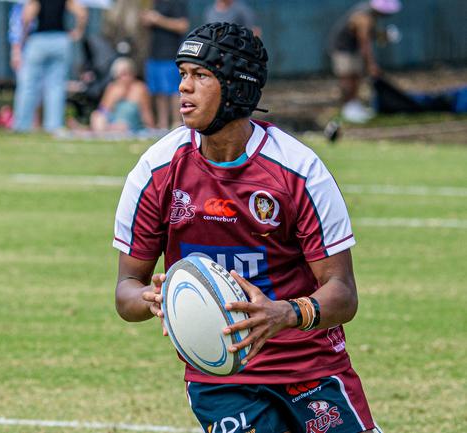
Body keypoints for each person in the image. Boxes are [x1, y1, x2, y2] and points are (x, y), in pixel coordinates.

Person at [113, 22, 382, 433]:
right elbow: (125, 291)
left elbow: (342, 294)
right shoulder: (156, 170)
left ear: (238, 86)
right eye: (183, 74)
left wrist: (285, 313)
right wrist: (152, 297)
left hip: (310, 369)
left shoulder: (299, 172)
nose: (184, 87)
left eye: (200, 75)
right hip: (220, 377)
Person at [12, 0, 87, 133]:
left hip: (38, 40)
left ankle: (22, 125)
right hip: (60, 39)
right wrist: (78, 31)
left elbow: (27, 16)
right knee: (56, 86)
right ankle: (53, 126)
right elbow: (82, 13)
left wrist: (24, 37)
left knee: (28, 85)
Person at [328, 0, 402, 123]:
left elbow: (370, 35)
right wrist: (371, 64)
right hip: (343, 49)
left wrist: (383, 36)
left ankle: (354, 105)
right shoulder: (364, 16)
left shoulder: (370, 15)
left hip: (353, 49)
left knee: (356, 77)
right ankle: (348, 108)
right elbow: (364, 43)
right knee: (348, 78)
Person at [140, 0, 189, 130]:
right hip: (154, 53)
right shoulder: (154, 3)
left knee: (174, 91)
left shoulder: (176, 3)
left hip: (170, 54)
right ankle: (162, 124)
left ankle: (176, 123)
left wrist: (158, 20)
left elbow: (182, 25)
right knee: (159, 92)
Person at [89, 57, 154, 133]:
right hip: (112, 123)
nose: (123, 78)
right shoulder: (113, 87)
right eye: (120, 75)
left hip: (131, 126)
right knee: (96, 116)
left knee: (121, 126)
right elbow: (103, 111)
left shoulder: (140, 88)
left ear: (132, 73)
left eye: (126, 74)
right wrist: (115, 99)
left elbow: (146, 112)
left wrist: (151, 128)